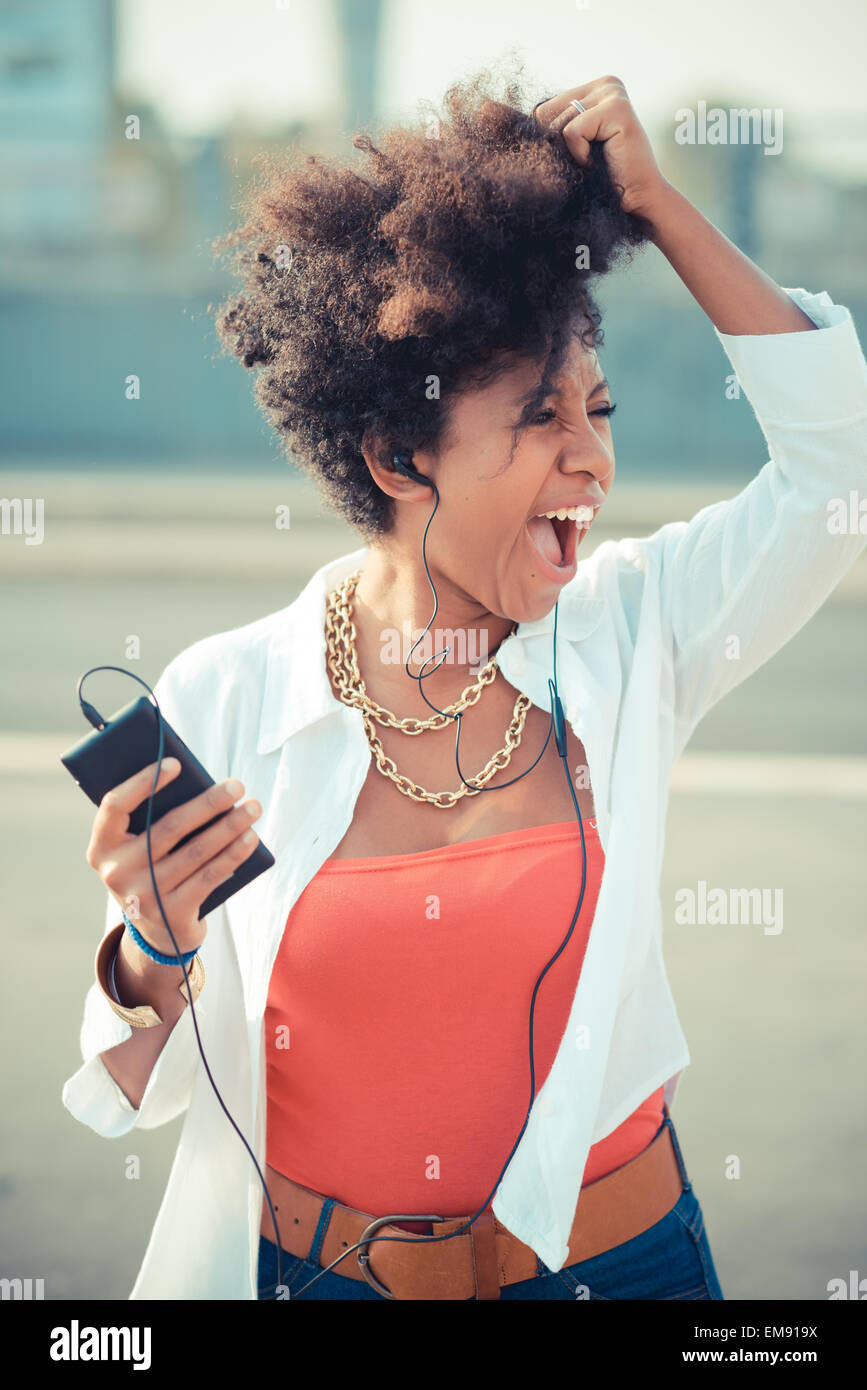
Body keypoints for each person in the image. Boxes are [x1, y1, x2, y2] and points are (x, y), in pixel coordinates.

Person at [62, 71, 867, 1300]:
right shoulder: (229, 693)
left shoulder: (639, 628)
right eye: (538, 415)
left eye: (597, 407)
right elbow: (129, 1086)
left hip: (626, 1268)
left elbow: (839, 470)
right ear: (397, 455)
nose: (592, 456)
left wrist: (663, 210)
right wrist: (149, 946)